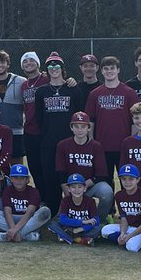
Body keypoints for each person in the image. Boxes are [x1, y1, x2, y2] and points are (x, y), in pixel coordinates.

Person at [34, 53, 83, 211]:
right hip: (48, 142)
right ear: (46, 70)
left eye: (57, 67)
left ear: (62, 69)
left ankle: (75, 210)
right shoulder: (41, 92)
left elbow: (79, 114)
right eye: (50, 67)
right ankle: (52, 210)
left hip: (70, 142)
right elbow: (39, 118)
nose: (54, 69)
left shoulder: (73, 89)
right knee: (50, 177)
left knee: (71, 177)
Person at [86, 57, 139, 181]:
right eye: (106, 68)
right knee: (105, 183)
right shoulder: (95, 93)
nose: (109, 71)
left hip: (124, 146)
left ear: (118, 70)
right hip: (102, 146)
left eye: (112, 68)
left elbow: (135, 121)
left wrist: (132, 142)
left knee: (128, 181)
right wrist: (92, 141)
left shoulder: (129, 92)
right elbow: (91, 120)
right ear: (102, 71)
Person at [54, 111, 113, 221]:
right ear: (71, 127)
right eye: (76, 126)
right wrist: (70, 193)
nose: (80, 130)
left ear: (89, 128)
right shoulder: (63, 145)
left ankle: (99, 221)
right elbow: (61, 172)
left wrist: (82, 186)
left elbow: (101, 174)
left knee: (107, 192)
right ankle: (71, 220)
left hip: (89, 185)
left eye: (83, 126)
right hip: (70, 187)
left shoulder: (96, 146)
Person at [0, 164, 50, 243]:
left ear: (28, 179)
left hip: (28, 220)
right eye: (15, 178)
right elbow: (7, 212)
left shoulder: (33, 191)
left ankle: (9, 235)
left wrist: (14, 230)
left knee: (45, 211)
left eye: (22, 178)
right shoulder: (7, 190)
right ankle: (26, 236)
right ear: (11, 179)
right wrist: (14, 228)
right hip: (11, 218)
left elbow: (29, 213)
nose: (19, 181)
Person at [100, 164, 141, 252]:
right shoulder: (119, 195)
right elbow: (124, 219)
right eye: (124, 179)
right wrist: (123, 233)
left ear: (138, 179)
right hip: (128, 227)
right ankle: (122, 239)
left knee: (131, 247)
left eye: (131, 179)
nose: (127, 182)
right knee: (105, 230)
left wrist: (129, 236)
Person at [20, 51, 49, 202]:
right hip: (29, 131)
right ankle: (42, 199)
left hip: (45, 131)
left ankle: (52, 199)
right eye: (25, 61)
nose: (28, 63)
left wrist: (70, 80)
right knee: (35, 169)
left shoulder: (46, 79)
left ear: (37, 63)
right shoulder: (23, 84)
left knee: (47, 169)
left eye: (32, 60)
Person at [0, 50, 27, 159]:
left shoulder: (21, 81)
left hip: (16, 130)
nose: (0, 65)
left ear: (8, 64)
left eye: (3, 62)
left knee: (17, 163)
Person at [49, 174, 101, 246]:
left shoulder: (90, 201)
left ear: (84, 188)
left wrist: (81, 228)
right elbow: (63, 220)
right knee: (52, 224)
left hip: (82, 230)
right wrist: (83, 222)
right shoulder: (65, 200)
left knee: (97, 229)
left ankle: (66, 237)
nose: (77, 190)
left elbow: (97, 221)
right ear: (69, 189)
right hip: (69, 227)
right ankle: (80, 240)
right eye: (73, 187)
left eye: (80, 187)